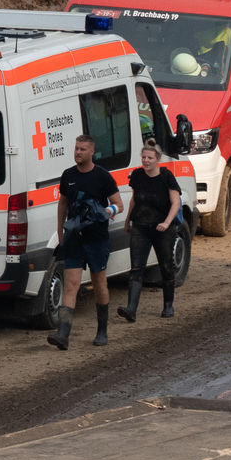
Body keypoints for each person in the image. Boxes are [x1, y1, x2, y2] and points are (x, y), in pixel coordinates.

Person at [48, 135, 121, 350]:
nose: (78, 152)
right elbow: (62, 204)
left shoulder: (103, 177)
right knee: (71, 284)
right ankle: (63, 334)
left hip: (97, 239)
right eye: (76, 148)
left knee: (99, 283)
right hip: (74, 239)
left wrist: (108, 210)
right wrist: (61, 233)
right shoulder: (68, 176)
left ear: (92, 152)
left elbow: (119, 204)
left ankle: (102, 331)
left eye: (82, 149)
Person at [122, 141, 183, 322]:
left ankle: (168, 305)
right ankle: (131, 309)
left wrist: (166, 222)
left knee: (166, 266)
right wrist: (127, 220)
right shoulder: (138, 175)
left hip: (162, 228)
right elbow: (134, 199)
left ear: (157, 159)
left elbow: (176, 202)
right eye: (143, 158)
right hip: (140, 225)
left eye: (149, 158)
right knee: (136, 268)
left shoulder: (166, 176)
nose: (146, 161)